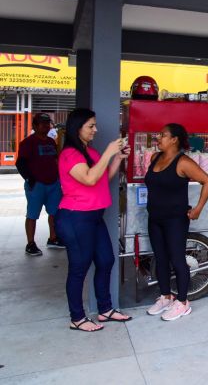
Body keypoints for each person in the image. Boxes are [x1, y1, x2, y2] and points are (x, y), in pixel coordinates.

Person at [56, 108, 131, 332]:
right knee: (79, 268)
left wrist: (116, 158)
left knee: (106, 260)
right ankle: (77, 318)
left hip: (94, 217)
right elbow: (89, 178)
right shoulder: (70, 154)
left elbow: (101, 178)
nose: (95, 130)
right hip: (75, 218)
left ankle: (105, 309)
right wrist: (109, 152)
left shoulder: (90, 152)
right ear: (77, 127)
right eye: (91, 126)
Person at [145, 123, 208, 321]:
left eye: (163, 135)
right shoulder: (154, 157)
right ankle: (166, 296)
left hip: (175, 219)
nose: (158, 138)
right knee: (160, 258)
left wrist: (198, 208)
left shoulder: (183, 162)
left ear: (174, 139)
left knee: (177, 259)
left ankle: (183, 302)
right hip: (155, 218)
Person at [16, 113, 64, 255]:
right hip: (37, 185)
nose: (46, 126)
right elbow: (20, 163)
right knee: (32, 215)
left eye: (47, 123)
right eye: (42, 123)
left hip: (53, 184)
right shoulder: (27, 143)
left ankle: (53, 238)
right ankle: (30, 244)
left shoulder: (51, 142)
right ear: (35, 126)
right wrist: (30, 180)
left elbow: (55, 160)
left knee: (55, 213)